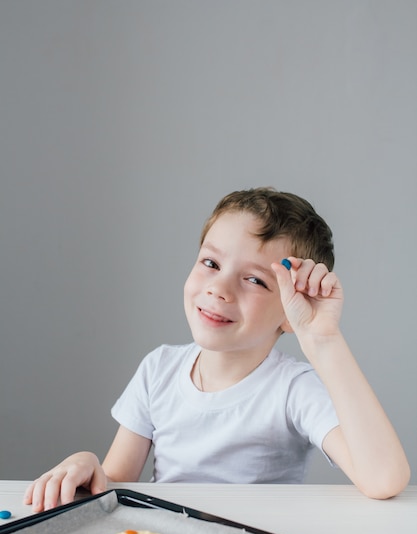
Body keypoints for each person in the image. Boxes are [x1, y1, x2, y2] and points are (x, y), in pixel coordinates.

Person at [24, 187, 410, 511]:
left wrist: (323, 339)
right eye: (211, 262)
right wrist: (87, 466)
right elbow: (114, 489)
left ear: (291, 313)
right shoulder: (158, 368)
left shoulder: (294, 389)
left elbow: (383, 479)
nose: (219, 288)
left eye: (256, 281)